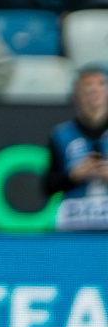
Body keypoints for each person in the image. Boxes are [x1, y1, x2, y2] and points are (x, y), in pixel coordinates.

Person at [42, 66, 108, 230]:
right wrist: (73, 176)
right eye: (87, 86)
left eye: (100, 84)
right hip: (74, 222)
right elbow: (48, 186)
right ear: (76, 94)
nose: (94, 90)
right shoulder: (61, 135)